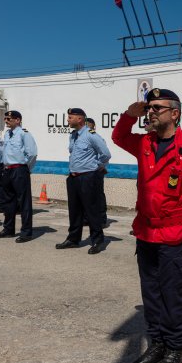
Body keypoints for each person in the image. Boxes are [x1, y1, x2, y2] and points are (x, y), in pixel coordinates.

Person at [112, 88, 182, 363]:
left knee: (172, 295)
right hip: (146, 231)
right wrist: (129, 115)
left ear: (175, 113)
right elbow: (119, 137)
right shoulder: (145, 142)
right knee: (151, 294)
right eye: (149, 108)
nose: (151, 112)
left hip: (174, 233)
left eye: (157, 107)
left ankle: (176, 347)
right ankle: (157, 343)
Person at [54, 109, 111, 254]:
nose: (67, 120)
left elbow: (105, 154)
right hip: (73, 177)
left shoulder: (91, 135)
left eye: (70, 117)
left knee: (91, 210)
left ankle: (97, 240)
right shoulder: (73, 135)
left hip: (88, 177)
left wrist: (97, 167)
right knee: (74, 210)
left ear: (80, 119)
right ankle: (73, 239)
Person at [0, 110, 38, 242]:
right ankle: (8, 229)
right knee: (8, 201)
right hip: (7, 170)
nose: (6, 121)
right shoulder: (7, 134)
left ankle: (26, 232)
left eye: (9, 119)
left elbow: (32, 154)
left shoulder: (24, 134)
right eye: (5, 119)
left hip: (19, 169)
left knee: (24, 202)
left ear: (18, 120)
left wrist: (26, 168)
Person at [86, 117, 109, 226]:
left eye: (89, 126)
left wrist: (100, 166)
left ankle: (102, 219)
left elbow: (105, 154)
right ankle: (87, 218)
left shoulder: (97, 138)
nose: (87, 129)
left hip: (96, 171)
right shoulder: (80, 138)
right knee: (86, 196)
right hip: (85, 172)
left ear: (93, 127)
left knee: (98, 196)